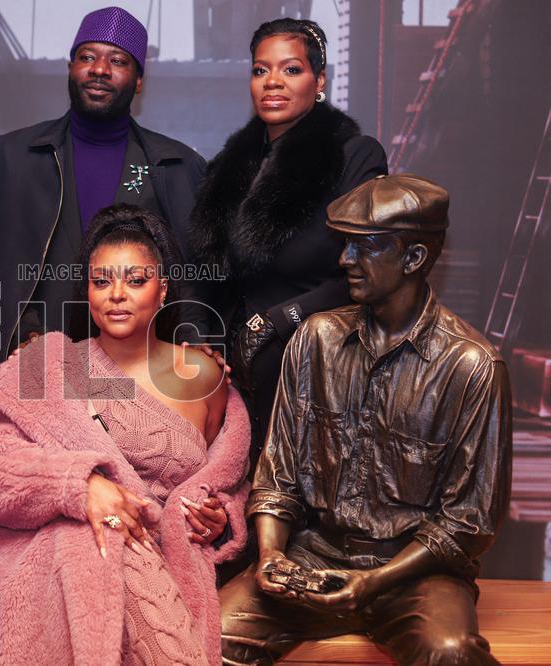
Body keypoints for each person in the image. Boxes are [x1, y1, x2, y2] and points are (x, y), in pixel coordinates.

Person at [219, 175, 511, 665]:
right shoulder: (316, 340)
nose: (344, 260)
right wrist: (271, 554)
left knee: (451, 651)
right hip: (314, 558)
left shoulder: (472, 367)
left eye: (364, 247)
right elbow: (278, 478)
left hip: (415, 576)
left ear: (414, 258)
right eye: (344, 244)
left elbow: (467, 523)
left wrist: (374, 582)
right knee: (208, 634)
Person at [0, 205, 251, 664]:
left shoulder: (201, 374)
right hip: (78, 546)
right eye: (102, 282)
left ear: (163, 290)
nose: (117, 295)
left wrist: (219, 514)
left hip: (172, 559)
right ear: (88, 292)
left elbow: (230, 475)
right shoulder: (49, 367)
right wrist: (80, 485)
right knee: (103, 537)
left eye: (135, 280)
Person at [188, 18, 388, 462]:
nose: (272, 81)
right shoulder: (228, 167)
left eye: (291, 69)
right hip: (230, 374)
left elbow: (365, 276)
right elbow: (206, 270)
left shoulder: (354, 156)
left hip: (314, 369)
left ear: (319, 81)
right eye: (260, 70)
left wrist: (278, 321)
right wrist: (201, 338)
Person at [0, 6, 209, 372]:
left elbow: (193, 279)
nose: (99, 69)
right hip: (33, 360)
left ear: (139, 80)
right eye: (87, 57)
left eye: (117, 60)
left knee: (135, 432)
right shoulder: (13, 156)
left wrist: (194, 353)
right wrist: (26, 338)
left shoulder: (178, 167)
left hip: (140, 369)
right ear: (70, 68)